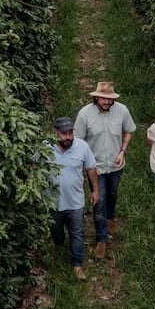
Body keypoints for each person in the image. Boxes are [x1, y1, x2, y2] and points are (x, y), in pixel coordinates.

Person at [74, 81, 135, 259]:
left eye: (110, 99)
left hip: (116, 165)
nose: (107, 102)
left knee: (112, 194)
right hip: (96, 167)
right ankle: (101, 239)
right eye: (103, 98)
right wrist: (86, 163)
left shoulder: (122, 110)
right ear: (96, 97)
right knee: (98, 200)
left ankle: (110, 220)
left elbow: (129, 130)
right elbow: (78, 141)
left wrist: (123, 150)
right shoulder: (85, 114)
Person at [46, 116, 99, 280]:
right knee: (56, 231)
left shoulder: (82, 147)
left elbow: (91, 168)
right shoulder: (45, 148)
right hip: (52, 201)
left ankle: (77, 265)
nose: (68, 137)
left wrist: (95, 189)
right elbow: (34, 166)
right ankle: (59, 245)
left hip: (75, 201)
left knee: (77, 234)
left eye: (70, 133)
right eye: (63, 133)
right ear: (55, 133)